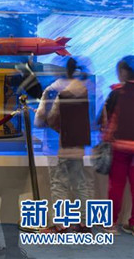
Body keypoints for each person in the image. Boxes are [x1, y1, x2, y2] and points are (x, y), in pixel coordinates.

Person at [35, 57, 92, 233]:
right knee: (80, 183)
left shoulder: (52, 90)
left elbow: (41, 120)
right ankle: (84, 223)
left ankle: (60, 224)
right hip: (78, 144)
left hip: (56, 145)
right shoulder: (84, 89)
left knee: (58, 183)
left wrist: (43, 118)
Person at [101, 56, 134, 234]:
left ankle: (111, 223)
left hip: (120, 147)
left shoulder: (117, 93)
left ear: (123, 72)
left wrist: (105, 139)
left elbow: (109, 120)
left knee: (116, 186)